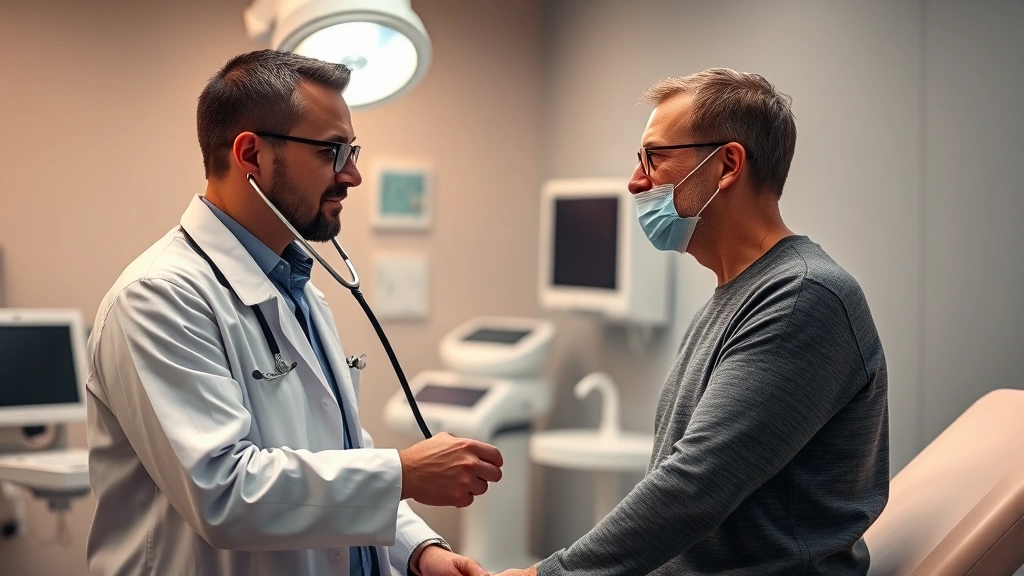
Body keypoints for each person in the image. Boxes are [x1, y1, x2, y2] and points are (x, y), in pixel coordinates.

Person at [86, 50, 501, 576]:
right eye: (332, 151)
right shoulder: (158, 297)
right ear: (251, 155)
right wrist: (403, 473)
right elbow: (224, 494)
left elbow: (341, 456)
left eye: (352, 150)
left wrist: (421, 552)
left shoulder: (298, 288)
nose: (352, 175)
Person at [498, 69, 889, 575]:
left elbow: (694, 487)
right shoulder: (734, 298)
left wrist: (547, 575)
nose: (636, 181)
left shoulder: (803, 296)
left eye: (654, 158)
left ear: (727, 165)